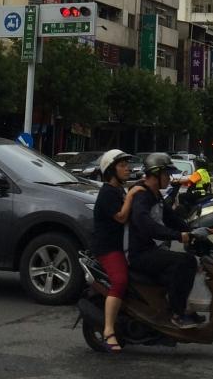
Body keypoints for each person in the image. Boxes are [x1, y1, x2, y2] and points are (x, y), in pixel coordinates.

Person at [126, 152, 201, 329]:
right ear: (155, 175)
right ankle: (177, 314)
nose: (170, 178)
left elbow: (171, 218)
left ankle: (173, 306)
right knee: (185, 261)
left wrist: (193, 232)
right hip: (139, 254)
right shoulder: (141, 196)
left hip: (152, 249)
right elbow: (147, 226)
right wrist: (178, 236)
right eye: (167, 174)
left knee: (187, 264)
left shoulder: (155, 194)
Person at [91, 149, 141, 352]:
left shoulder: (119, 191)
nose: (127, 168)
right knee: (120, 281)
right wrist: (132, 194)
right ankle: (109, 330)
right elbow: (121, 217)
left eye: (127, 165)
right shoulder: (108, 193)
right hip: (109, 248)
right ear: (111, 170)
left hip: (125, 245)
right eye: (122, 165)